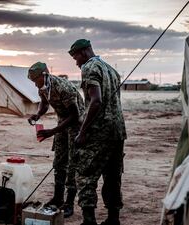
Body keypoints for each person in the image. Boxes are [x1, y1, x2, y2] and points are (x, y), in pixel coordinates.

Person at [68, 39, 126, 225]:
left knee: (85, 174)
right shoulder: (110, 69)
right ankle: (113, 219)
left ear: (84, 52)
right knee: (112, 177)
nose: (76, 62)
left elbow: (96, 101)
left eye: (75, 56)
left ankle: (89, 220)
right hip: (117, 131)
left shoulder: (90, 67)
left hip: (99, 131)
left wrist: (83, 132)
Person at [27, 62, 84, 218]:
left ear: (44, 75)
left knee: (73, 163)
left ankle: (69, 203)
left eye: (36, 80)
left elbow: (74, 116)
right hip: (62, 124)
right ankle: (58, 198)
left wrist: (52, 131)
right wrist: (37, 115)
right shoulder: (43, 88)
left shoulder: (63, 87)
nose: (35, 84)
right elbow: (44, 105)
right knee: (59, 162)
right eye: (32, 81)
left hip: (77, 126)